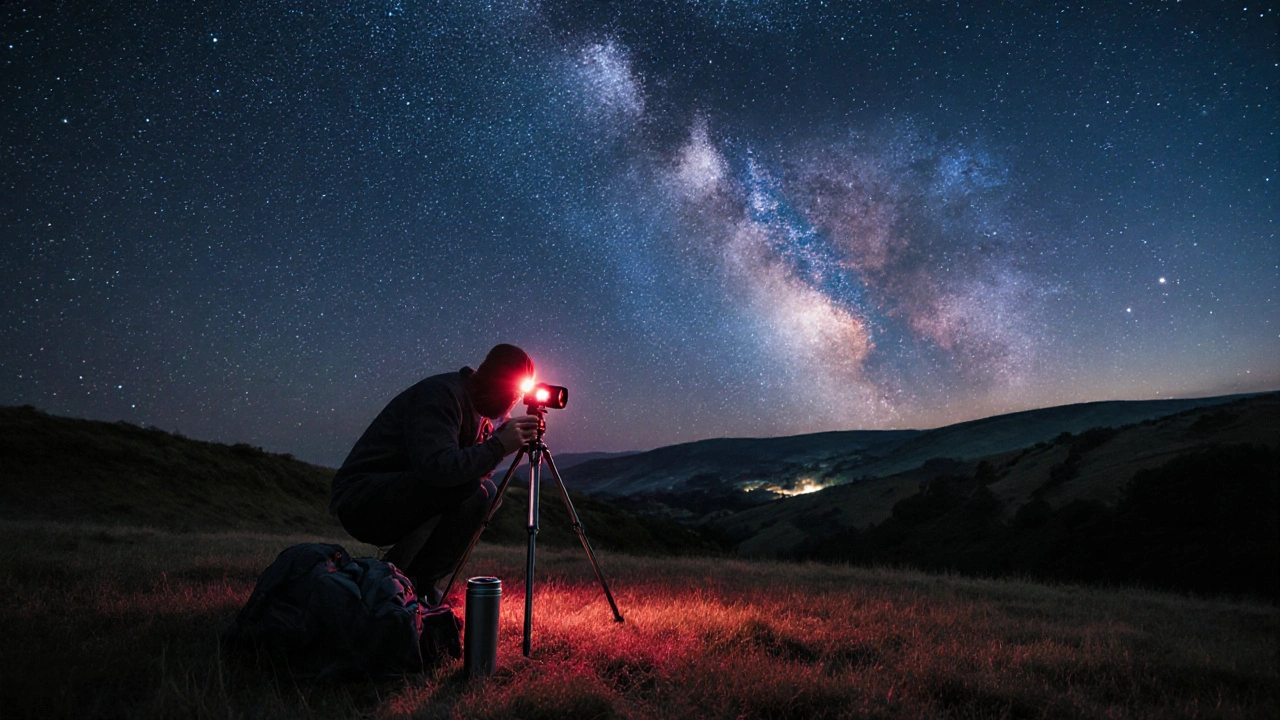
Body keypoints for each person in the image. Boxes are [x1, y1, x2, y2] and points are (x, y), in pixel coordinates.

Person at [330, 343, 541, 604]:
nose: (514, 401)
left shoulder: (481, 413)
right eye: (512, 392)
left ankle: (420, 587)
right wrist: (497, 446)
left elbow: (471, 476)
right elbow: (436, 468)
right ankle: (390, 580)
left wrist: (499, 442)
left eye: (518, 395)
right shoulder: (442, 394)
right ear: (491, 380)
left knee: (486, 494)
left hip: (398, 493)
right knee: (464, 487)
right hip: (361, 499)